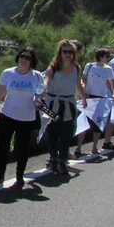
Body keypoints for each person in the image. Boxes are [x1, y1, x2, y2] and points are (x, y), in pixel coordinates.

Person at [0, 47, 43, 190]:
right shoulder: (8, 73)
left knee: (23, 148)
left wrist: (38, 99)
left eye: (28, 58)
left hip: (27, 118)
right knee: (3, 146)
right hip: (8, 115)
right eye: (22, 56)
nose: (24, 59)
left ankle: (19, 176)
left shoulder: (36, 76)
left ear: (32, 61)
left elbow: (42, 91)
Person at [43, 39, 87, 174]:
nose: (67, 54)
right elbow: (46, 82)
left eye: (70, 52)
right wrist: (42, 91)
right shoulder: (53, 68)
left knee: (66, 133)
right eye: (65, 52)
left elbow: (78, 86)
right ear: (60, 53)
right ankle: (53, 159)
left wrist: (84, 99)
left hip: (69, 104)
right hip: (52, 104)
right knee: (53, 132)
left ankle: (62, 160)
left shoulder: (77, 69)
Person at [77, 48, 114, 157]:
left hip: (101, 98)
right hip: (89, 96)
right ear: (100, 57)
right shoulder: (89, 66)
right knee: (84, 122)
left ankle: (94, 146)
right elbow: (83, 78)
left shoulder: (108, 69)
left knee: (98, 123)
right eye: (107, 56)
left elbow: (112, 83)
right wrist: (83, 91)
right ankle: (78, 147)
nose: (108, 58)